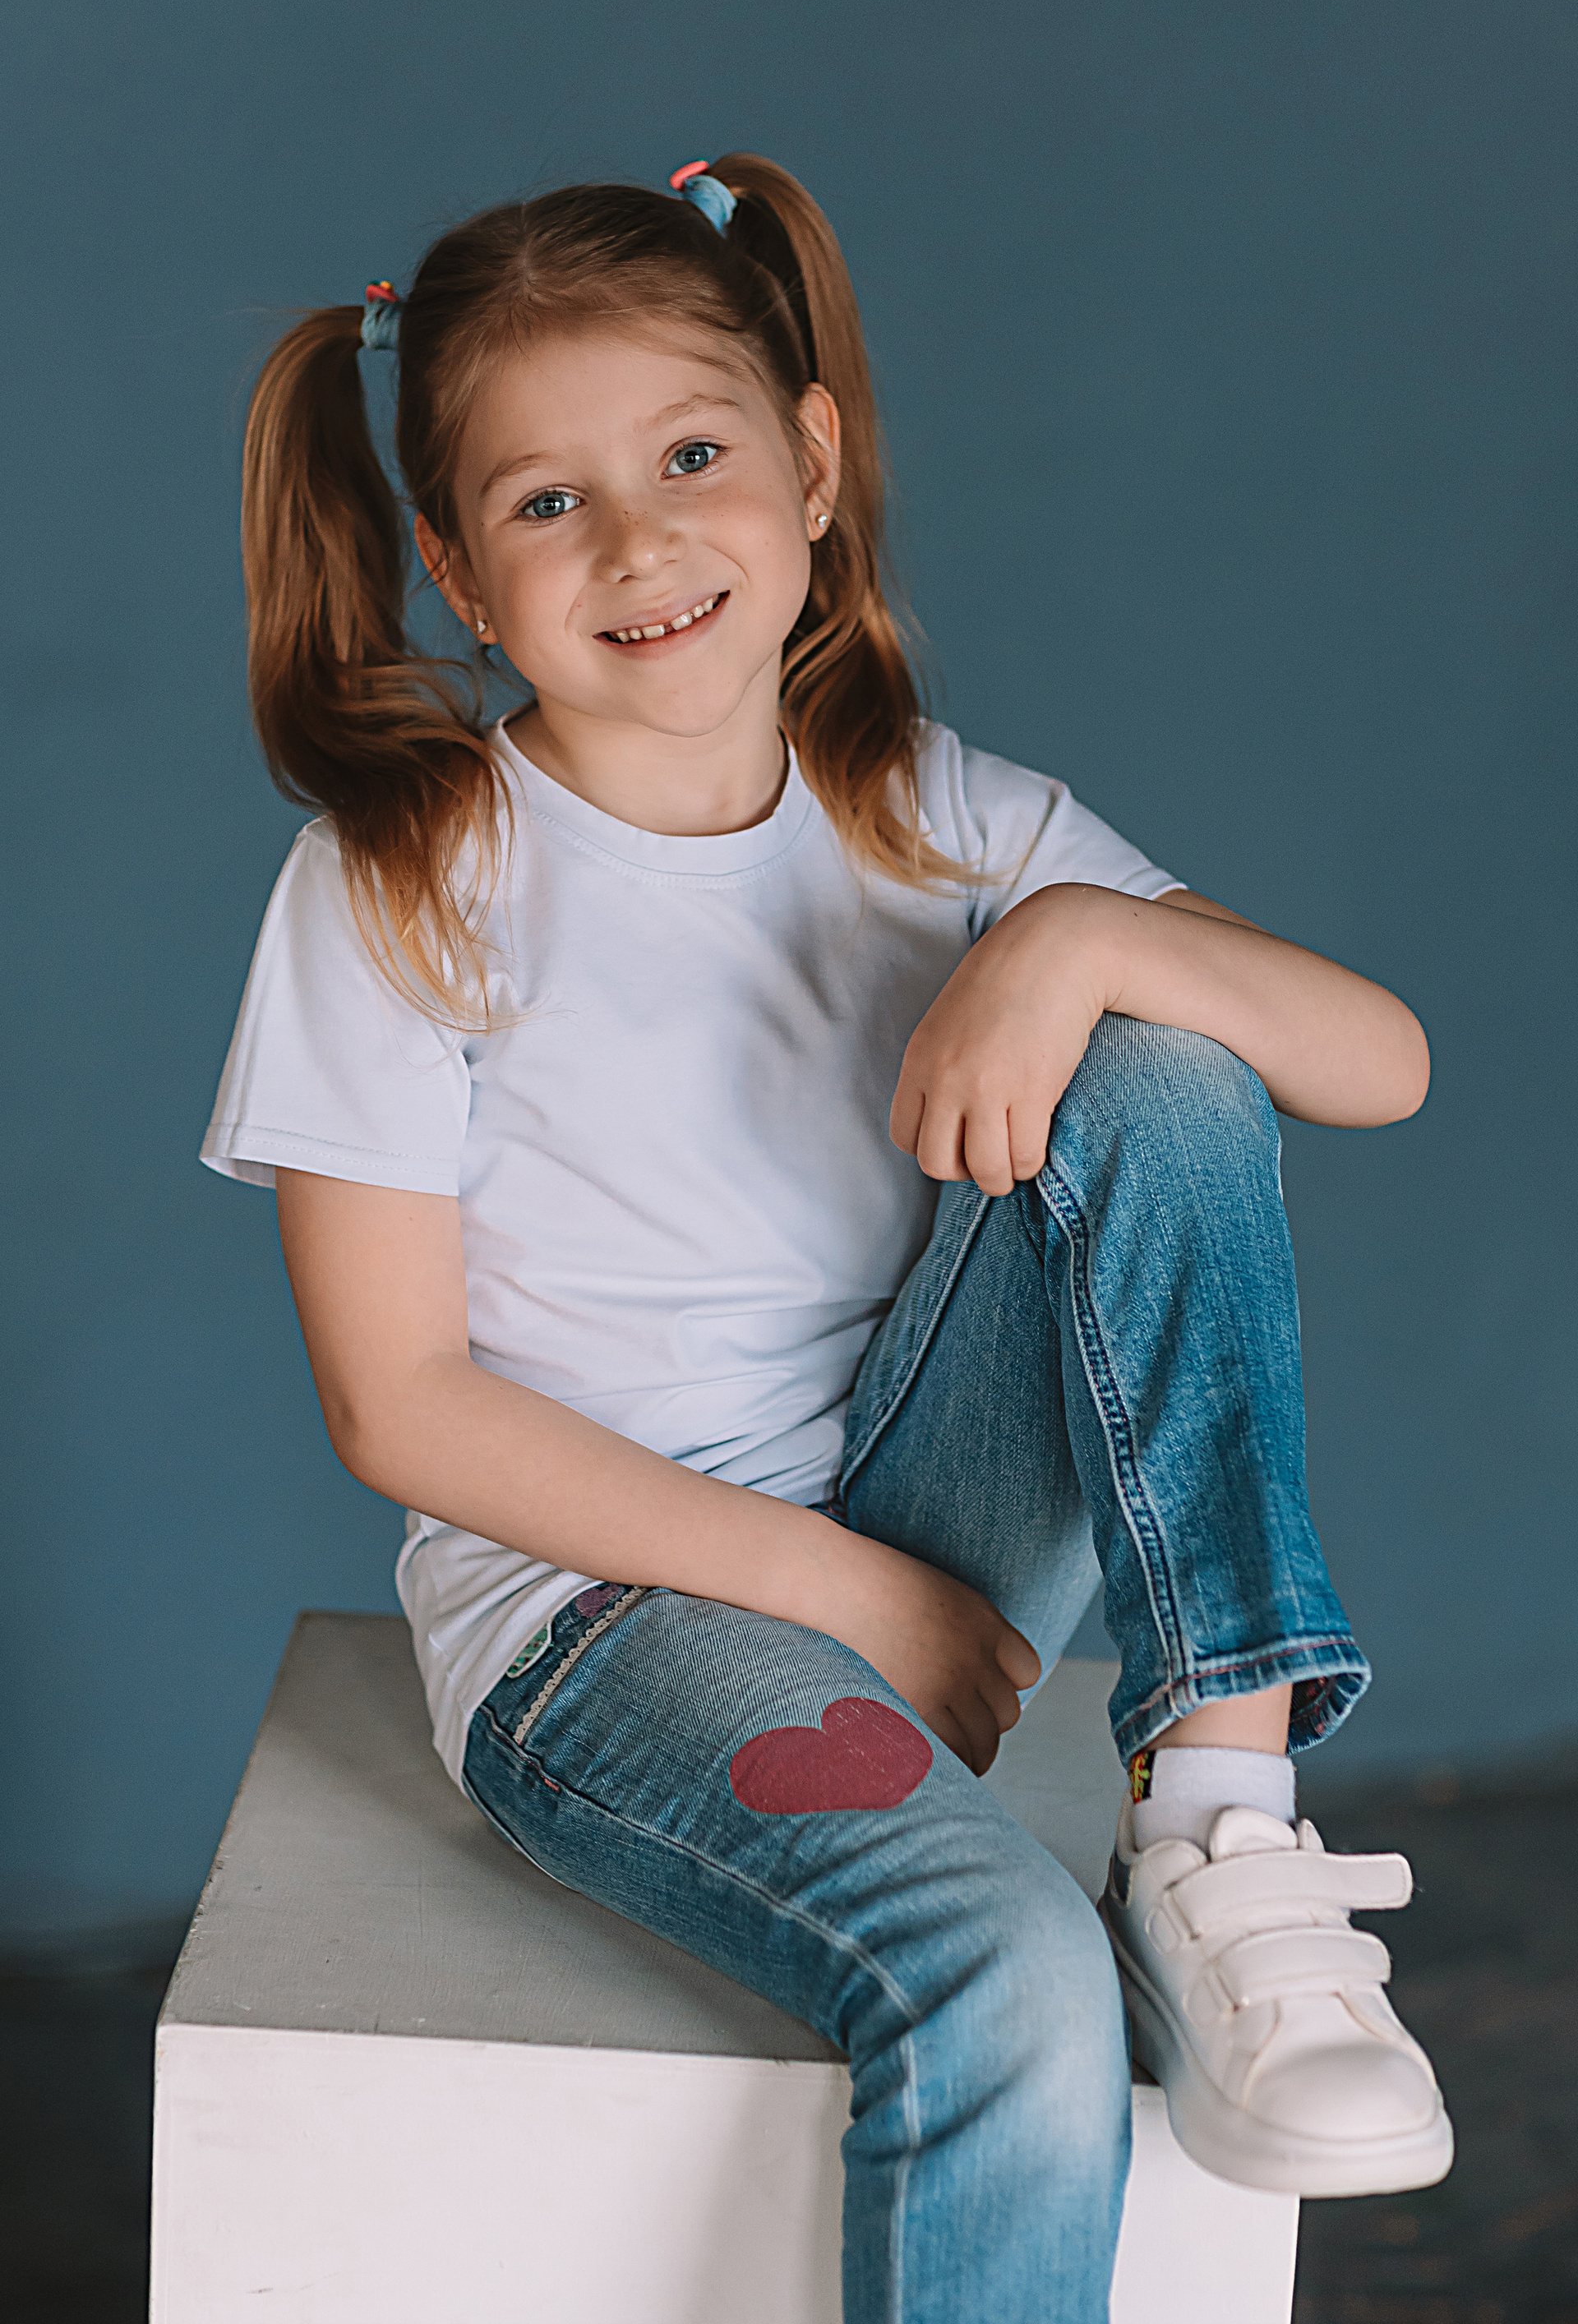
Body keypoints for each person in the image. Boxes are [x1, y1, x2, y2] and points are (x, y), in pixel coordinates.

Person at [201, 154, 1452, 2321]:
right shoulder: (405, 874)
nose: (639, 541)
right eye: (548, 501)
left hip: (924, 1504)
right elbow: (398, 1405)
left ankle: (1222, 1823)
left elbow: (1380, 1061)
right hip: (612, 1622)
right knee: (1005, 1975)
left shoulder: (942, 815)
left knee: (1170, 1054)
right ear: (457, 573)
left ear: (813, 459)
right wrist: (854, 1594)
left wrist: (1071, 938)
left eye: (692, 456)